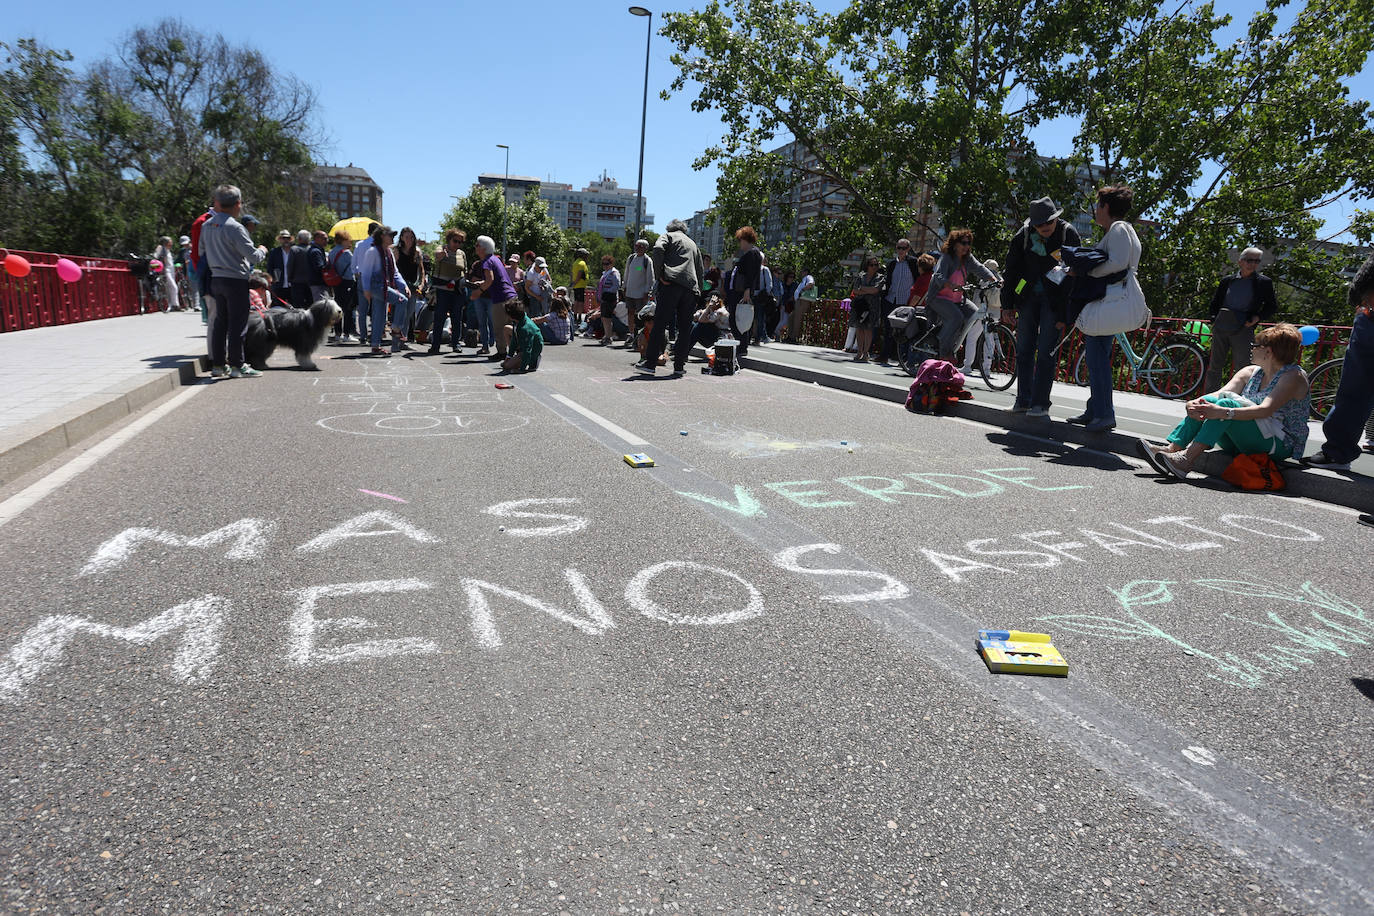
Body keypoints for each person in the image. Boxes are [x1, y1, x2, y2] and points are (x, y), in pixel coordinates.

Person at [1141, 323, 1310, 479]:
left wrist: (1223, 412)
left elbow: (1265, 410)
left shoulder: (1293, 376)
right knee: (1208, 401)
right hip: (1251, 437)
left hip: (1278, 444)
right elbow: (1219, 394)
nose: (1252, 349)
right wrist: (1194, 403)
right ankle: (1172, 449)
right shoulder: (1251, 372)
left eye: (1256, 346)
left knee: (1225, 406)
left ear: (1269, 351)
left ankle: (1186, 460)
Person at [1069, 185, 1145, 432]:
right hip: (1112, 302)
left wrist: (1087, 271)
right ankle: (1095, 410)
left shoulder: (1119, 228)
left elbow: (1118, 263)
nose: (1096, 210)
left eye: (1099, 205)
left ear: (1107, 207)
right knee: (1097, 359)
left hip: (1109, 301)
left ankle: (1103, 414)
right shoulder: (1122, 229)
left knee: (1097, 360)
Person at [1001, 197, 1082, 416]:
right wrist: (1007, 304)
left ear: (1056, 218)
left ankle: (1040, 404)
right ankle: (1023, 401)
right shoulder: (1023, 234)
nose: (1045, 227)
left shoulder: (1068, 234)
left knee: (1046, 352)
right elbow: (1011, 269)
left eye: (1049, 222)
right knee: (1024, 350)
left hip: (1055, 302)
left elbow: (1076, 275)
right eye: (1039, 224)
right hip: (1027, 298)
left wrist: (1066, 313)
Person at [1305, 250, 1374, 470]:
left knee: (1355, 388)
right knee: (1355, 388)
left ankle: (1338, 451)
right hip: (1369, 317)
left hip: (1369, 316)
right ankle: (1337, 451)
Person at [199, 184, 267, 378]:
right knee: (238, 324)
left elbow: (201, 252)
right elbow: (253, 256)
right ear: (238, 204)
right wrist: (263, 250)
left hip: (215, 278)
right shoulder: (234, 227)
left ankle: (218, 365)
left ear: (218, 203)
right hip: (235, 279)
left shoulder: (207, 225)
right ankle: (238, 365)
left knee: (220, 322)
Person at [1204, 246, 1279, 392]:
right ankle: (1209, 396)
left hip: (1244, 328)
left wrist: (1257, 318)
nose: (1253, 264)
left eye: (1257, 261)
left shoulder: (1263, 282)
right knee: (1215, 365)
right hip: (1222, 326)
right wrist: (1214, 319)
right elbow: (1215, 302)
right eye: (1249, 260)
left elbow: (1272, 306)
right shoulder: (1227, 281)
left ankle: (1239, 398)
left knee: (1243, 366)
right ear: (1240, 262)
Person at [925, 229, 1001, 362]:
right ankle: (944, 350)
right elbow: (938, 276)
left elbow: (979, 268)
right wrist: (949, 284)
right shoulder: (947, 257)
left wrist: (994, 279)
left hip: (957, 298)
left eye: (969, 243)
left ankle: (953, 341)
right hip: (938, 297)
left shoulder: (968, 258)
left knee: (974, 315)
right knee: (957, 317)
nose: (967, 246)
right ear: (955, 244)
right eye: (964, 243)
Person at [645, 218, 705, 377]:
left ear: (669, 228)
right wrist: (698, 291)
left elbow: (658, 249)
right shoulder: (693, 244)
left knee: (660, 324)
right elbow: (700, 270)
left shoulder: (668, 236)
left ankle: (650, 363)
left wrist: (660, 274)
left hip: (671, 283)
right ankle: (679, 365)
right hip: (690, 288)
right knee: (685, 329)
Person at [359, 226, 410, 356]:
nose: (393, 237)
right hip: (377, 286)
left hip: (383, 286)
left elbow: (395, 273)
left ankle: (375, 346)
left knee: (379, 318)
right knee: (402, 300)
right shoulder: (372, 251)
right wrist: (366, 290)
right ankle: (396, 328)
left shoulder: (388, 252)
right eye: (390, 235)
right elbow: (365, 273)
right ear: (382, 236)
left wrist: (404, 286)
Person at [470, 235, 518, 358]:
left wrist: (478, 291)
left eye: (477, 245)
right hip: (511, 296)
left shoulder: (486, 262)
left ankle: (502, 353)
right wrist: (482, 283)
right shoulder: (495, 259)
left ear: (483, 248)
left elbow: (490, 279)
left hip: (501, 298)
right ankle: (517, 350)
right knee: (511, 326)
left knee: (499, 327)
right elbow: (495, 278)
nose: (475, 247)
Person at [877, 239, 918, 365]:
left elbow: (917, 280)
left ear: (908, 249)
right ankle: (884, 355)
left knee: (904, 331)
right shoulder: (892, 264)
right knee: (888, 329)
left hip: (905, 300)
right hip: (891, 299)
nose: (901, 250)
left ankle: (901, 358)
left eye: (904, 248)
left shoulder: (913, 262)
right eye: (899, 247)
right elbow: (888, 281)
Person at [959, 258, 1003, 377]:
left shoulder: (986, 277)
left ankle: (968, 365)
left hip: (983, 312)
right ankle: (987, 368)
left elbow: (979, 295)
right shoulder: (999, 278)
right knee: (989, 340)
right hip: (995, 313)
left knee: (972, 336)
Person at [429, 228, 468, 355]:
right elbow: (437, 255)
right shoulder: (441, 249)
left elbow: (464, 270)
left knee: (457, 318)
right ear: (449, 240)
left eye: (460, 242)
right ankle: (435, 346)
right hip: (442, 290)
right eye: (455, 241)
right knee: (439, 318)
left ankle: (456, 343)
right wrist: (441, 254)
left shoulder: (461, 254)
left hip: (457, 290)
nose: (457, 244)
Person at [393, 227, 426, 350]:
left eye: (411, 237)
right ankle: (396, 340)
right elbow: (393, 269)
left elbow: (421, 270)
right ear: (401, 238)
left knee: (409, 314)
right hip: (400, 286)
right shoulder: (397, 251)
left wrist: (421, 284)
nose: (409, 240)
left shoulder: (417, 252)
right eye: (406, 237)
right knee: (400, 314)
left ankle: (403, 340)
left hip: (413, 286)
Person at [847, 255, 885, 362]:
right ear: (867, 266)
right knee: (859, 328)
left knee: (868, 329)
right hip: (860, 306)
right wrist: (868, 290)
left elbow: (876, 290)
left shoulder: (880, 277)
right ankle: (859, 351)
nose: (874, 267)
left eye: (876, 265)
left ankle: (865, 353)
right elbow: (855, 290)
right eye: (871, 265)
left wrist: (863, 289)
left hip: (872, 307)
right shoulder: (861, 275)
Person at [624, 239, 655, 349]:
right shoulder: (631, 258)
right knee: (630, 313)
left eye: (640, 246)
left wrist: (647, 292)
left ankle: (639, 336)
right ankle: (631, 334)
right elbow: (626, 273)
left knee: (640, 316)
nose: (638, 248)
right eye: (636, 245)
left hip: (641, 293)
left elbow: (650, 278)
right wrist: (624, 287)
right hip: (630, 291)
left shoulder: (647, 260)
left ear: (645, 248)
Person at [328, 232, 356, 343]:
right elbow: (354, 267)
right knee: (348, 309)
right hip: (347, 281)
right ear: (343, 240)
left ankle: (337, 333)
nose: (350, 242)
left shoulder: (332, 252)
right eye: (348, 240)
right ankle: (346, 334)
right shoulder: (347, 253)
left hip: (336, 281)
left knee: (337, 309)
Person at [501, 300, 544, 373]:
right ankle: (517, 358)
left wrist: (522, 369)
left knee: (507, 366)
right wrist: (509, 356)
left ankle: (533, 361)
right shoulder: (518, 321)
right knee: (505, 365)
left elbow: (528, 349)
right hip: (523, 346)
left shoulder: (525, 329)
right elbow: (514, 341)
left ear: (512, 316)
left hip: (532, 351)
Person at [597, 255, 622, 346]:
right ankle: (607, 335)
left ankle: (608, 337)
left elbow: (616, 286)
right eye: (603, 264)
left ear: (611, 264)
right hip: (604, 297)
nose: (605, 266)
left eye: (607, 264)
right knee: (604, 318)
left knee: (607, 318)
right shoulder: (605, 273)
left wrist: (607, 291)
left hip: (610, 297)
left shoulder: (614, 273)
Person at [787, 269, 818, 342]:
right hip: (799, 301)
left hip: (802, 301)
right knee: (791, 317)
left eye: (802, 271)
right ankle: (790, 336)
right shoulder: (803, 279)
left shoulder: (808, 277)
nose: (801, 273)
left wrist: (802, 291)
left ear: (806, 272)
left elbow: (811, 283)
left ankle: (793, 338)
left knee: (797, 319)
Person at [287, 229, 313, 309]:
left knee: (297, 306)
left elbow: (290, 265)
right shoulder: (312, 249)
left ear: (299, 239)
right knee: (310, 305)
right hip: (311, 282)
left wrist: (289, 278)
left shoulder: (294, 249)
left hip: (297, 282)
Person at [753, 253, 775, 346]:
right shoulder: (753, 269)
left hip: (760, 297)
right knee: (755, 318)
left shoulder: (764, 269)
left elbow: (769, 285)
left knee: (760, 318)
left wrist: (764, 295)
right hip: (752, 296)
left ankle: (760, 337)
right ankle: (759, 337)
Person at [153, 236, 179, 312]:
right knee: (173, 287)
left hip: (171, 270)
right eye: (170, 242)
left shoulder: (168, 250)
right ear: (165, 243)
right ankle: (175, 305)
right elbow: (155, 256)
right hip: (165, 269)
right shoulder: (161, 248)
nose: (171, 244)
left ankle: (172, 305)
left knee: (170, 288)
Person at [524, 255, 553, 321]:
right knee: (536, 315)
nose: (542, 269)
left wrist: (545, 285)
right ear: (536, 266)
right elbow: (527, 288)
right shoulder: (531, 273)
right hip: (534, 297)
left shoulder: (543, 270)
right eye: (540, 267)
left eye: (543, 267)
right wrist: (537, 297)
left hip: (544, 295)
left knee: (545, 314)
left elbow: (549, 279)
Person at [307, 230, 331, 304]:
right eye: (324, 238)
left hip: (319, 283)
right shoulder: (315, 251)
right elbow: (320, 268)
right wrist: (328, 264)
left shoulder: (318, 250)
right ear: (317, 239)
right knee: (321, 306)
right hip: (318, 284)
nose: (327, 240)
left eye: (327, 238)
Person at [774, 269, 796, 340]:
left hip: (790, 305)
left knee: (785, 322)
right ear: (787, 277)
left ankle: (776, 332)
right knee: (783, 321)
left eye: (793, 277)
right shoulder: (782, 284)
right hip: (783, 304)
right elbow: (780, 295)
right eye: (790, 277)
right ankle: (777, 334)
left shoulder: (795, 285)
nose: (791, 278)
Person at [570, 248, 591, 316]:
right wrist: (575, 282)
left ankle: (575, 315)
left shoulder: (575, 263)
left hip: (576, 285)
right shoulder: (582, 263)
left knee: (576, 300)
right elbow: (580, 274)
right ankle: (579, 316)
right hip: (580, 285)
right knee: (580, 302)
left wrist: (573, 283)